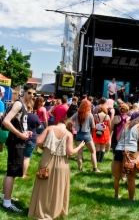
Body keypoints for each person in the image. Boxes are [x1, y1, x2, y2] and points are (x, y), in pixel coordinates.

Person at [28, 118, 85, 219]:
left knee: (43, 186)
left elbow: (38, 141)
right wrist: (80, 146)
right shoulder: (68, 134)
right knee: (58, 188)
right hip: (61, 164)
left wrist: (45, 147)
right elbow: (70, 152)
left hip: (46, 160)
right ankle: (54, 211)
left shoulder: (50, 128)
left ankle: (40, 210)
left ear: (61, 122)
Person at [1, 84, 34, 212]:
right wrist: (19, 134)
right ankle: (7, 203)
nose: (32, 95)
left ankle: (5, 196)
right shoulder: (19, 104)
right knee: (12, 173)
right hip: (16, 143)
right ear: (24, 92)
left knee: (11, 172)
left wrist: (26, 132)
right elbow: (6, 121)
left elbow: (18, 123)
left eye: (33, 93)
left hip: (19, 142)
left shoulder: (23, 105)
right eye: (30, 93)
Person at [113, 114, 139, 200]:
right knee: (131, 178)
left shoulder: (127, 123)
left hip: (119, 149)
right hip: (131, 151)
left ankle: (116, 195)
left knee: (117, 176)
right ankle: (131, 199)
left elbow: (117, 138)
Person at [72, 99, 101, 172]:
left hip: (78, 134)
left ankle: (79, 168)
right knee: (93, 152)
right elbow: (93, 127)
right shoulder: (90, 115)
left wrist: (73, 127)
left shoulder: (77, 113)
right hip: (86, 134)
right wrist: (92, 133)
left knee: (80, 153)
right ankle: (95, 168)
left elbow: (70, 119)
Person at [22, 102, 41, 179]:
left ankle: (17, 172)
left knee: (20, 156)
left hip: (22, 137)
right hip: (31, 139)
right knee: (26, 157)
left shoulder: (22, 116)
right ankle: (23, 174)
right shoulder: (34, 116)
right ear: (32, 108)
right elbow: (39, 126)